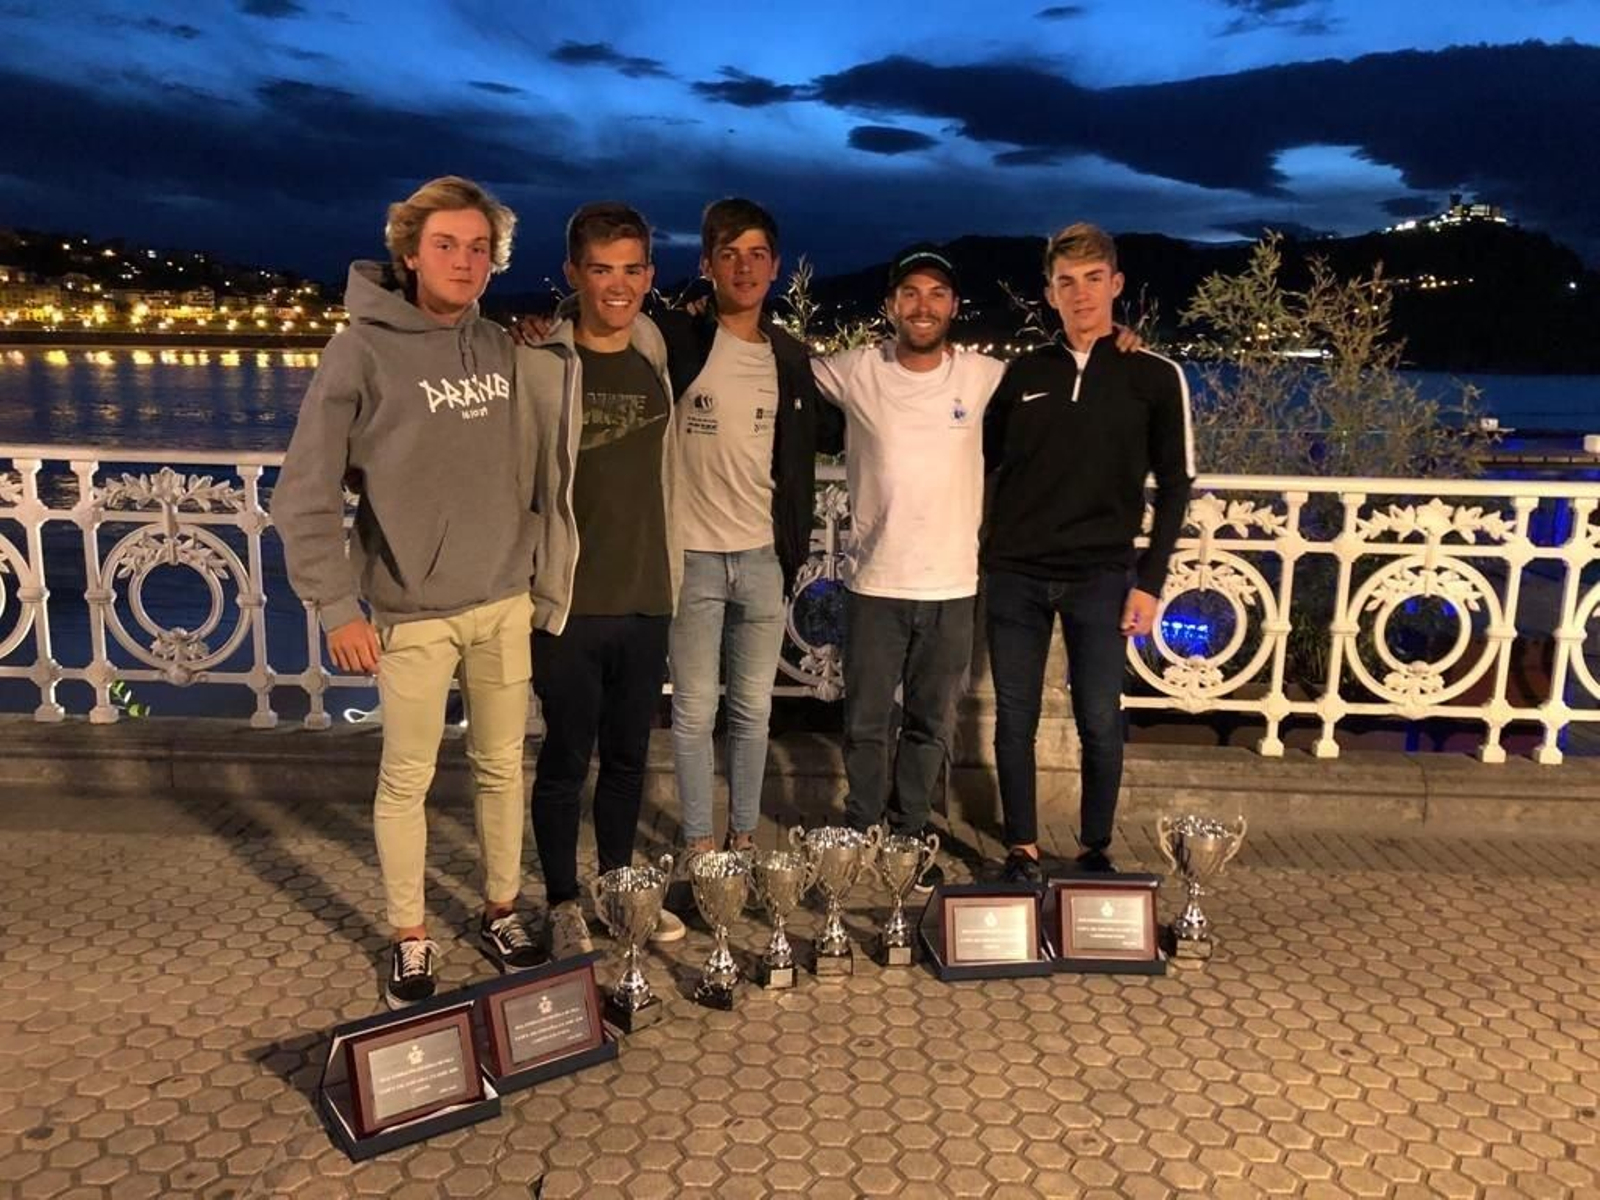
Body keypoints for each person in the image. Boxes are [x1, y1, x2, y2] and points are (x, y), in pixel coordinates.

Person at [272, 175, 541, 1009]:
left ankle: (500, 909)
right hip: (411, 612)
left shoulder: (498, 346)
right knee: (407, 779)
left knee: (502, 768)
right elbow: (305, 488)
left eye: (478, 248)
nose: (463, 261)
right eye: (445, 245)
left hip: (502, 599)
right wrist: (335, 604)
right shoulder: (360, 348)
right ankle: (411, 937)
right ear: (409, 252)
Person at [982, 222, 1194, 881]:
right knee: (1013, 720)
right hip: (1015, 573)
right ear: (1049, 292)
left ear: (1116, 284)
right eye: (1066, 282)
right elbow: (987, 463)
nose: (1081, 295)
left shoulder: (1153, 376)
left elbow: (1178, 483)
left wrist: (1149, 582)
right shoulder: (1021, 374)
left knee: (1099, 718)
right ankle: (1022, 848)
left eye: (1093, 279)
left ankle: (1095, 848)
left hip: (1102, 575)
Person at [517, 201, 688, 960]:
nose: (617, 286)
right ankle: (561, 900)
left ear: (649, 275)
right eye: (601, 269)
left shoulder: (653, 347)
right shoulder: (540, 363)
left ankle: (619, 887)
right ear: (573, 275)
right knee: (564, 757)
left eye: (631, 269)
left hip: (649, 595)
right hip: (570, 603)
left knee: (627, 758)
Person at [812, 245, 1005, 891]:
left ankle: (909, 829)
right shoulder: (856, 371)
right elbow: (776, 368)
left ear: (953, 306)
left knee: (931, 724)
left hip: (953, 585)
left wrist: (1119, 341)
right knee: (866, 721)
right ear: (892, 305)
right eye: (911, 294)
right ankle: (863, 823)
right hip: (874, 583)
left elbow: (1055, 391)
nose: (924, 305)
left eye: (937, 294)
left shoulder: (983, 377)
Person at [654, 198, 831, 860]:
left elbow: (834, 425)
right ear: (707, 265)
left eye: (758, 254)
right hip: (691, 556)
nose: (744, 266)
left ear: (776, 267)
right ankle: (702, 844)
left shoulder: (789, 356)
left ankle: (745, 836)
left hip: (761, 558)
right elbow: (603, 339)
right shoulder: (678, 338)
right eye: (729, 254)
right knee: (695, 714)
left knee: (753, 713)